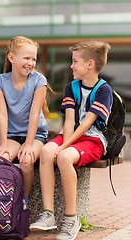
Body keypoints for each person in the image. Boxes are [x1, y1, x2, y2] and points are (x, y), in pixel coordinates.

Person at [29, 41, 112, 240]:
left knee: (65, 157)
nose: (71, 66)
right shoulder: (71, 87)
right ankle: (48, 214)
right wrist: (65, 143)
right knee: (47, 151)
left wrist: (66, 147)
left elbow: (87, 125)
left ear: (90, 64)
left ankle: (70, 218)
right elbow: (70, 122)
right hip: (73, 136)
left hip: (93, 140)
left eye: (75, 61)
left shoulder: (104, 90)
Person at [0, 36, 50, 197]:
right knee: (0, 160)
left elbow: (34, 114)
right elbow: (2, 115)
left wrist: (29, 144)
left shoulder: (39, 80)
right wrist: (3, 143)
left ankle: (23, 202)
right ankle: (4, 201)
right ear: (11, 58)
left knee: (26, 162)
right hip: (12, 136)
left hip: (36, 135)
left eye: (34, 59)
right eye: (26, 58)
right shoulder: (0, 81)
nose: (31, 63)